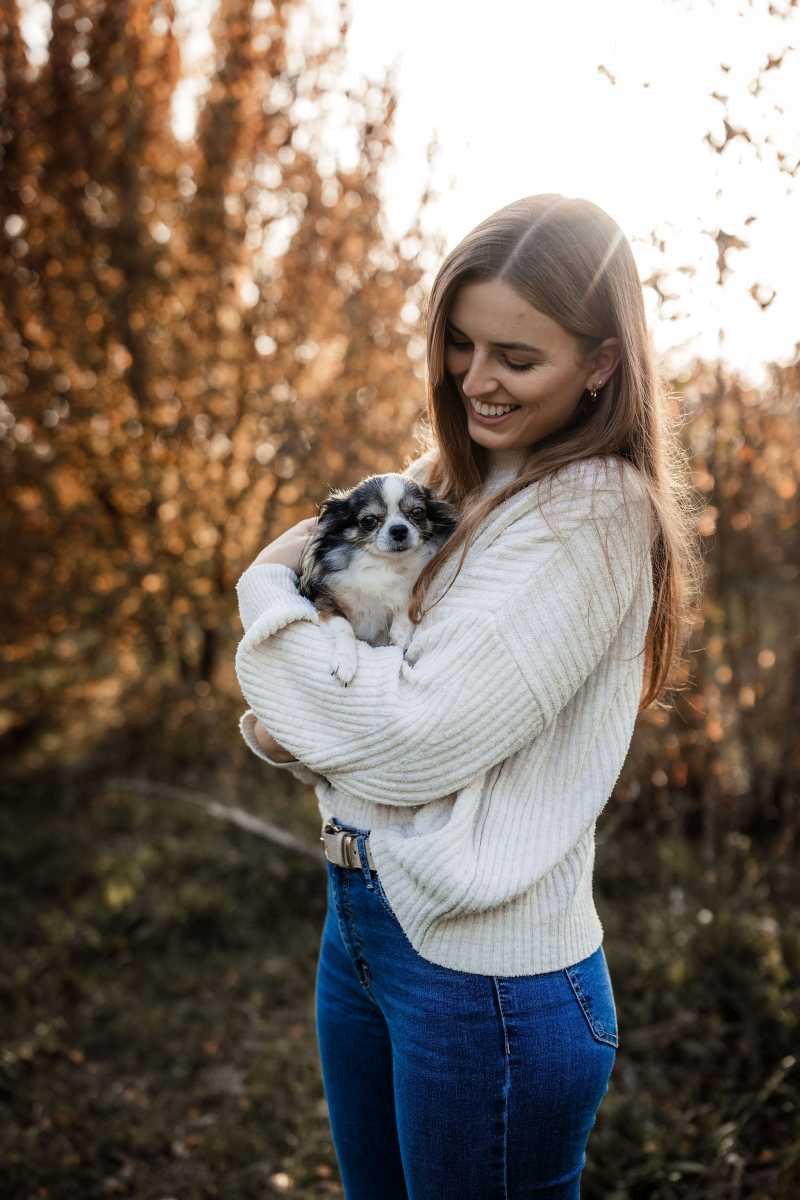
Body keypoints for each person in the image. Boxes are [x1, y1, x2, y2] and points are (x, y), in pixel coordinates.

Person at [233, 194, 702, 1199]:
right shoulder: (451, 473)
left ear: (601, 362)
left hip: (482, 974)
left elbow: (406, 739)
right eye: (458, 345)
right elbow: (322, 565)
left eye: (515, 359)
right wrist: (300, 722)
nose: (474, 381)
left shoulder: (587, 516)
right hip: (360, 919)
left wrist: (260, 606)